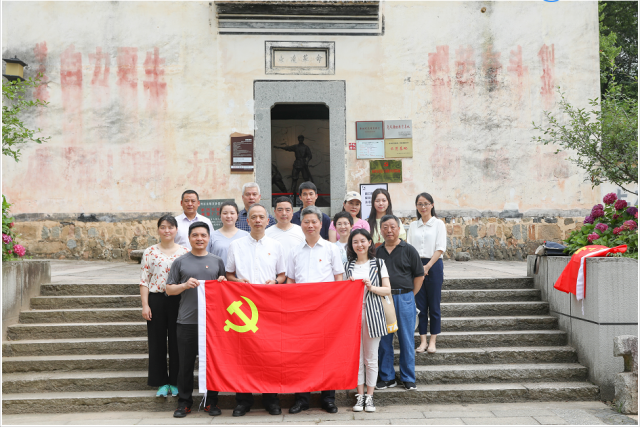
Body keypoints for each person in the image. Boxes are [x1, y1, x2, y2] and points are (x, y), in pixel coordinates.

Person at [225, 203, 286, 417]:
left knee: (270, 354)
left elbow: (282, 275)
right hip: (244, 307)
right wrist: (238, 281)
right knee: (244, 354)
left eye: (262, 217)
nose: (258, 220)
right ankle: (243, 400)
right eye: (254, 217)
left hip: (269, 307)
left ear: (268, 220)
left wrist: (276, 282)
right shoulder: (236, 245)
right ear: (248, 221)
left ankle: (271, 399)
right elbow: (229, 274)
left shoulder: (276, 246)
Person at [286, 206, 345, 414]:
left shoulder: (331, 249)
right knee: (300, 355)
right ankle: (302, 399)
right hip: (301, 311)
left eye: (314, 222)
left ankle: (328, 398)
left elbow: (339, 278)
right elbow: (291, 280)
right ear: (300, 224)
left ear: (321, 224)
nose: (310, 225)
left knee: (327, 353)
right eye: (306, 222)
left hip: (326, 310)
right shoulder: (294, 251)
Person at [165, 222, 226, 418]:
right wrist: (184, 285)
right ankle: (184, 403)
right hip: (187, 322)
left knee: (212, 364)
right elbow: (169, 289)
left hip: (212, 323)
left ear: (209, 238)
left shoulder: (217, 261)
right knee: (185, 365)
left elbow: (224, 290)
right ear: (189, 238)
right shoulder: (180, 262)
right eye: (195, 235)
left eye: (203, 235)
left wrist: (223, 283)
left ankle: (211, 402)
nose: (200, 238)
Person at [139, 215, 189, 398]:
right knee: (157, 341)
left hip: (178, 300)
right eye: (163, 227)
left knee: (177, 342)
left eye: (170, 227)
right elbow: (144, 280)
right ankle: (161, 382)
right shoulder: (150, 252)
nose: (167, 230)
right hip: (157, 299)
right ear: (158, 230)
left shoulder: (184, 252)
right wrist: (145, 305)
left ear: (176, 230)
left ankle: (175, 382)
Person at [344, 229, 391, 413]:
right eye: (355, 242)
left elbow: (387, 290)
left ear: (370, 242)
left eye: (363, 241)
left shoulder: (378, 263)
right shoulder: (348, 265)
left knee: (371, 358)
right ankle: (360, 395)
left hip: (373, 314)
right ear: (351, 245)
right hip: (352, 316)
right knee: (357, 358)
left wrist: (372, 287)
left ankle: (370, 397)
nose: (359, 245)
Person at [375, 215, 424, 391]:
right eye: (385, 227)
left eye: (393, 227)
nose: (389, 230)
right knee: (384, 340)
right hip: (383, 300)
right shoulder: (376, 252)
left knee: (406, 339)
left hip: (404, 298)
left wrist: (410, 294)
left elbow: (419, 275)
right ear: (380, 230)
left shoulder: (409, 250)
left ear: (399, 229)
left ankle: (408, 377)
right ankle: (387, 377)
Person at [407, 193, 446, 354]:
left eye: (426, 203)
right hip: (416, 267)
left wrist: (428, 266)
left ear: (432, 205)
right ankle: (422, 340)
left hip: (434, 265)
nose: (423, 207)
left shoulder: (438, 224)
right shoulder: (413, 225)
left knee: (434, 305)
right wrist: (418, 268)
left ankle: (433, 341)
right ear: (416, 206)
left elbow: (440, 248)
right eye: (420, 204)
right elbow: (409, 248)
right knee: (420, 306)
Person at [266, 196, 305, 267]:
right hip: (274, 275)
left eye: (287, 210)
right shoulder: (266, 233)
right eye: (280, 210)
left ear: (292, 212)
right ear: (274, 212)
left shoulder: (302, 231)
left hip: (297, 274)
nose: (284, 213)